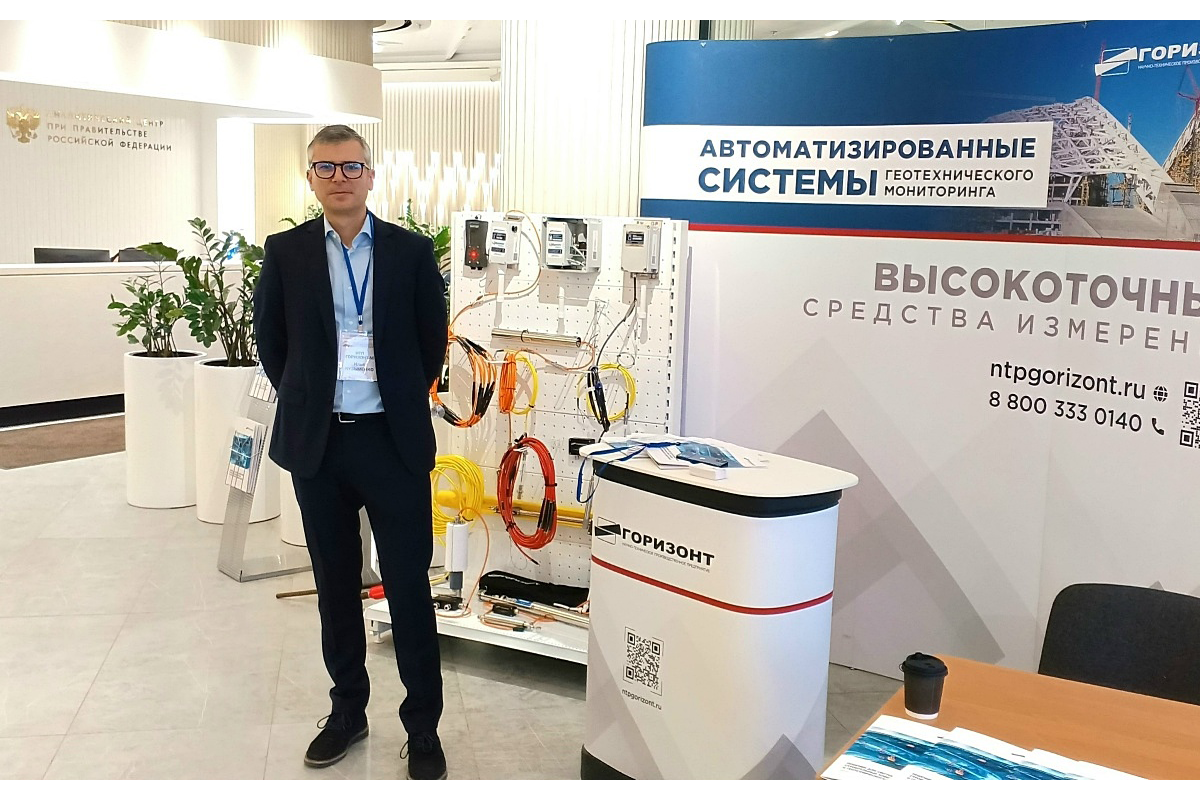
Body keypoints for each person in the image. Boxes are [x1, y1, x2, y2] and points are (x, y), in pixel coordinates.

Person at [253, 124, 449, 779]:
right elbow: (272, 342)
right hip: (321, 445)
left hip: (392, 443)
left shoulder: (409, 251)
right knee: (336, 586)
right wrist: (309, 397)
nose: (340, 177)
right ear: (311, 177)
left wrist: (395, 394)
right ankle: (347, 712)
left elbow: (430, 341)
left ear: (371, 174)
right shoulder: (285, 252)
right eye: (326, 167)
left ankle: (423, 727)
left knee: (409, 588)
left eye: (351, 166)